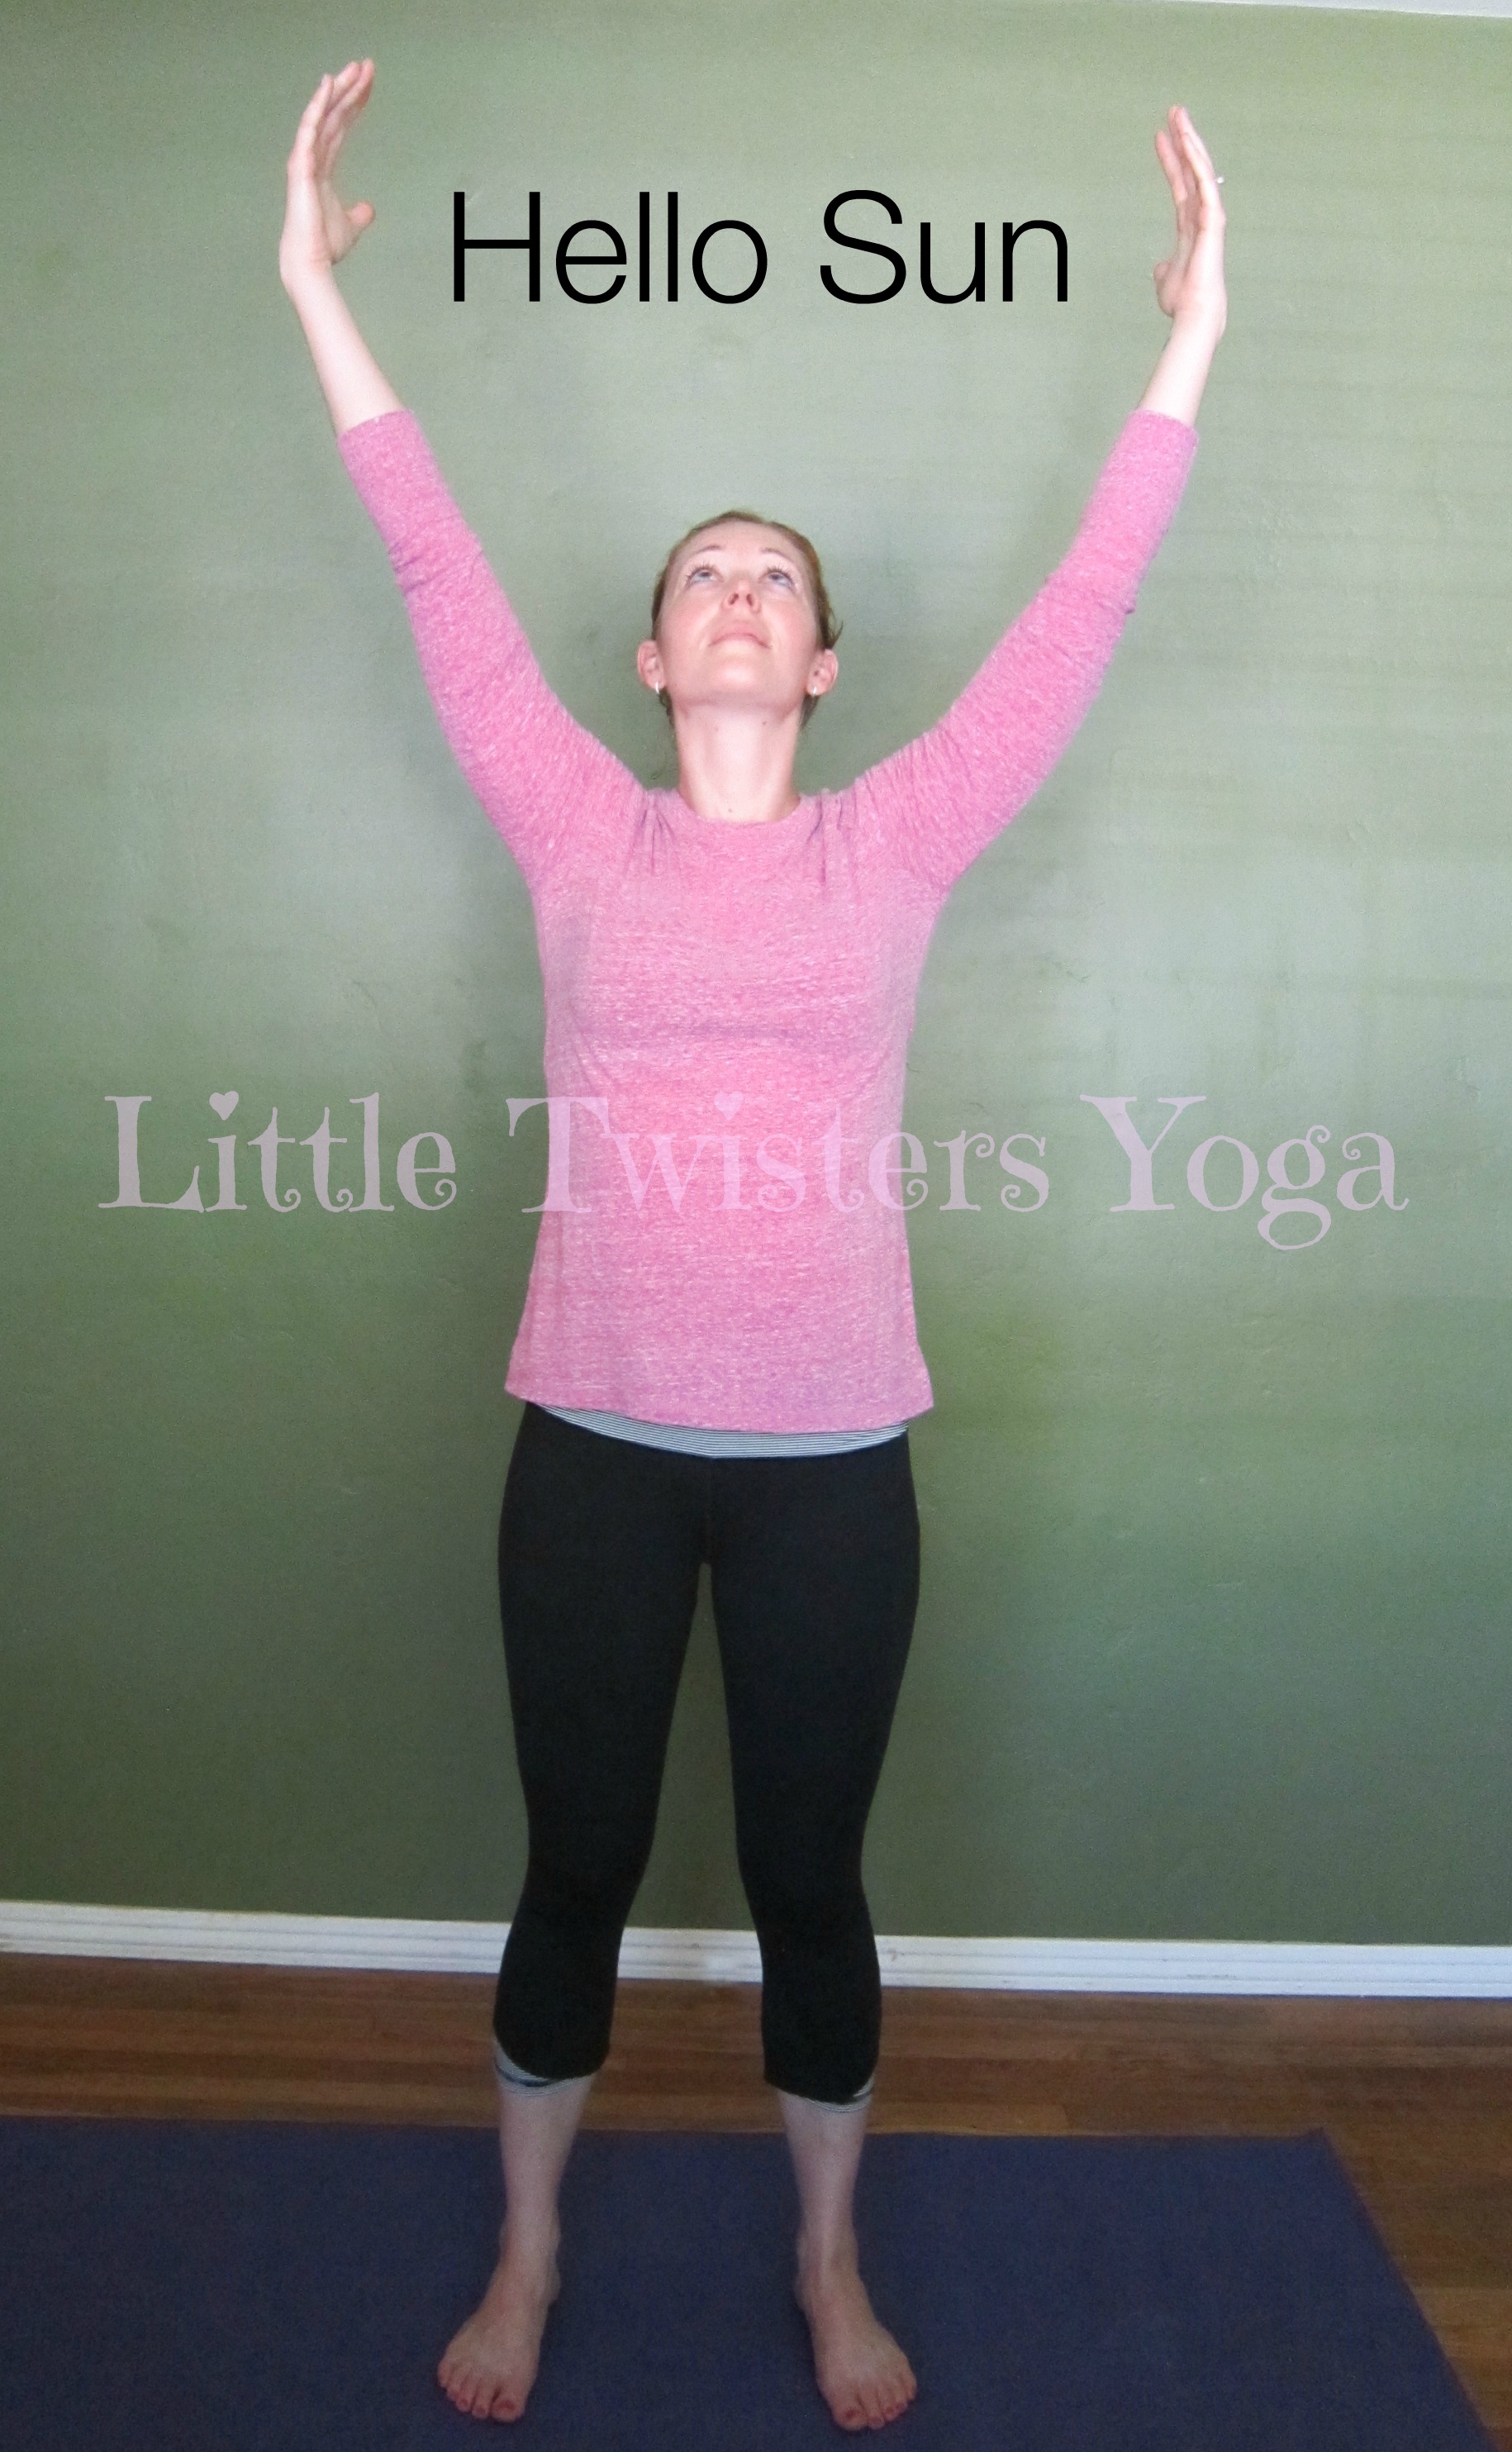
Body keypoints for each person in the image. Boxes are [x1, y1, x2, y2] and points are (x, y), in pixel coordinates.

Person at [279, 59, 1225, 2432]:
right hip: (591, 1453)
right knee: (576, 1870)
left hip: (831, 1468)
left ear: (815, 668)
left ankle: (827, 2259)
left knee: (814, 1883)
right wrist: (312, 286)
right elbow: (435, 569)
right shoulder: (572, 830)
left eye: (773, 582)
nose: (734, 593)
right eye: (701, 573)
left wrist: (1194, 338)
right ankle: (527, 2250)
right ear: (649, 660)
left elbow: (1084, 613)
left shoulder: (892, 842)